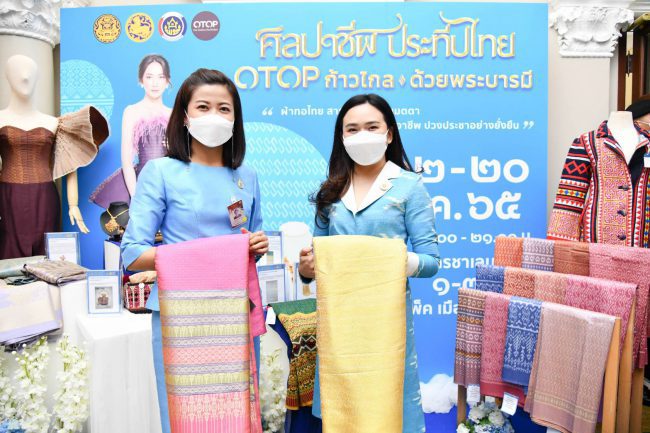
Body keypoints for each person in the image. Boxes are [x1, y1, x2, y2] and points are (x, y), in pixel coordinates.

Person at [120, 68, 269, 433]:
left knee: (238, 416)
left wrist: (255, 247)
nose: (214, 116)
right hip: (182, 315)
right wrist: (212, 256)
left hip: (236, 312)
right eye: (203, 107)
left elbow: (248, 241)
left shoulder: (246, 175)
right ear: (184, 116)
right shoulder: (160, 172)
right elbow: (132, 254)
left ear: (235, 119)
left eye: (224, 108)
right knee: (188, 419)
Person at [299, 93, 441, 433]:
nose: (362, 135)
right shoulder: (331, 191)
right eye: (352, 129)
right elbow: (316, 257)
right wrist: (306, 269)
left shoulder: (409, 187)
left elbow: (431, 261)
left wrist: (388, 260)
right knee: (342, 404)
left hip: (386, 318)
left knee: (388, 403)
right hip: (339, 318)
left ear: (388, 134)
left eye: (372, 127)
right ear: (342, 137)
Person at [91, 54, 172, 208]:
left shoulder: (173, 114)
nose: (155, 83)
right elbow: (127, 161)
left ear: (167, 81)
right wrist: (136, 197)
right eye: (149, 77)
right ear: (141, 80)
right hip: (142, 183)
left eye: (161, 77)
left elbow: (182, 159)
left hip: (169, 184)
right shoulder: (132, 111)